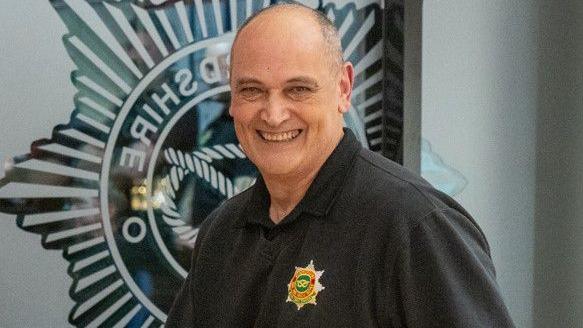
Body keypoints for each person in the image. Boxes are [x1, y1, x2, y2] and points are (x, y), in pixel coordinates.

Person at [166, 3, 515, 327]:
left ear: (343, 88)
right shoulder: (221, 232)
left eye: (298, 89)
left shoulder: (415, 227)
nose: (273, 115)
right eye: (252, 90)